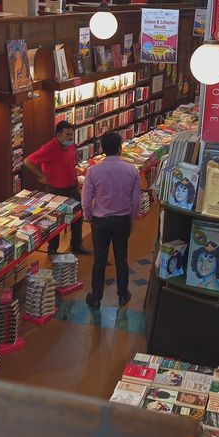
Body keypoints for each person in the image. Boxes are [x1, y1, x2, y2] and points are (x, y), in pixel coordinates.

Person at [82, 131, 141, 310]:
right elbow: (135, 200)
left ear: (102, 149)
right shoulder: (132, 170)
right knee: (121, 257)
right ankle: (123, 294)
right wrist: (132, 219)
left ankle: (96, 297)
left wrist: (89, 216)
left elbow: (86, 198)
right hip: (122, 220)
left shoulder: (93, 171)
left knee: (99, 259)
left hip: (100, 220)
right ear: (120, 148)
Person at [24, 120, 89, 257]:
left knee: (78, 216)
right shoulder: (49, 148)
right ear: (59, 135)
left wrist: (76, 183)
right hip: (56, 191)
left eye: (72, 134)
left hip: (71, 187)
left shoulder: (70, 146)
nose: (71, 137)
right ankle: (52, 249)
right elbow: (28, 161)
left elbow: (72, 165)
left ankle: (76, 244)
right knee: (56, 221)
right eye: (68, 135)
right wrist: (40, 175)